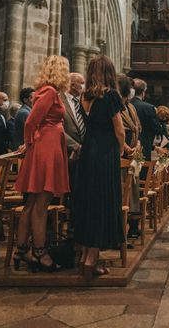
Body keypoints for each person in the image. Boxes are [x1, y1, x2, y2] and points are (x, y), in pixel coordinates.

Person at [14, 55, 70, 272]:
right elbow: (31, 121)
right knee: (41, 204)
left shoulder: (47, 90)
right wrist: (30, 144)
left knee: (31, 202)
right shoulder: (50, 91)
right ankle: (39, 251)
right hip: (46, 147)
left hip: (46, 145)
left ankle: (22, 249)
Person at [73, 55, 125, 280]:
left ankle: (84, 255)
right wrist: (121, 150)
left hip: (87, 151)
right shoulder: (110, 95)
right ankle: (92, 260)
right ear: (109, 72)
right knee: (102, 202)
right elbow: (119, 129)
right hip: (104, 152)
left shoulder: (84, 96)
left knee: (87, 201)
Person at [58, 72, 86, 234]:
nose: (83, 86)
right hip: (65, 153)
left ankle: (75, 227)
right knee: (65, 194)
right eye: (80, 83)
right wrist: (75, 145)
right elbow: (58, 128)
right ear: (72, 84)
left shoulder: (82, 102)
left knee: (78, 193)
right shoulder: (59, 100)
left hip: (83, 155)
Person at [118, 74, 142, 239]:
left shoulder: (130, 107)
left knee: (132, 192)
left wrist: (138, 144)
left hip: (132, 155)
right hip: (121, 156)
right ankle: (120, 230)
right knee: (122, 193)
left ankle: (133, 227)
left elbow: (137, 127)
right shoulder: (116, 106)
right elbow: (117, 131)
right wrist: (126, 148)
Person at [130, 78, 160, 160]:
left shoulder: (126, 104)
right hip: (144, 146)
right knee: (143, 171)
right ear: (143, 92)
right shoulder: (149, 108)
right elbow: (156, 129)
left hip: (128, 145)